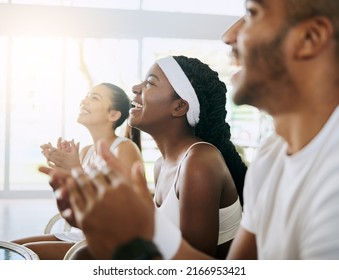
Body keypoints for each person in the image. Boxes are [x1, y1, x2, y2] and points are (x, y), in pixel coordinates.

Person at [43, 0, 339, 260]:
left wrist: (138, 231)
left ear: (310, 37)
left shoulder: (331, 175)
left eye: (252, 12)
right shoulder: (272, 155)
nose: (229, 35)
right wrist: (110, 221)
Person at [41, 55, 247, 260]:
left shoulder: (199, 161)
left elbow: (193, 268)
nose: (135, 88)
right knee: (80, 255)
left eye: (150, 82)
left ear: (179, 107)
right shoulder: (162, 165)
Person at [13, 82, 142, 260]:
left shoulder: (125, 148)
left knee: (24, 254)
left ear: (113, 114)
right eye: (87, 95)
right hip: (80, 234)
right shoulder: (85, 151)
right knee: (12, 247)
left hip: (109, 243)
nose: (84, 100)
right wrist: (62, 174)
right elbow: (77, 207)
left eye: (94, 97)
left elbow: (122, 215)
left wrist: (76, 169)